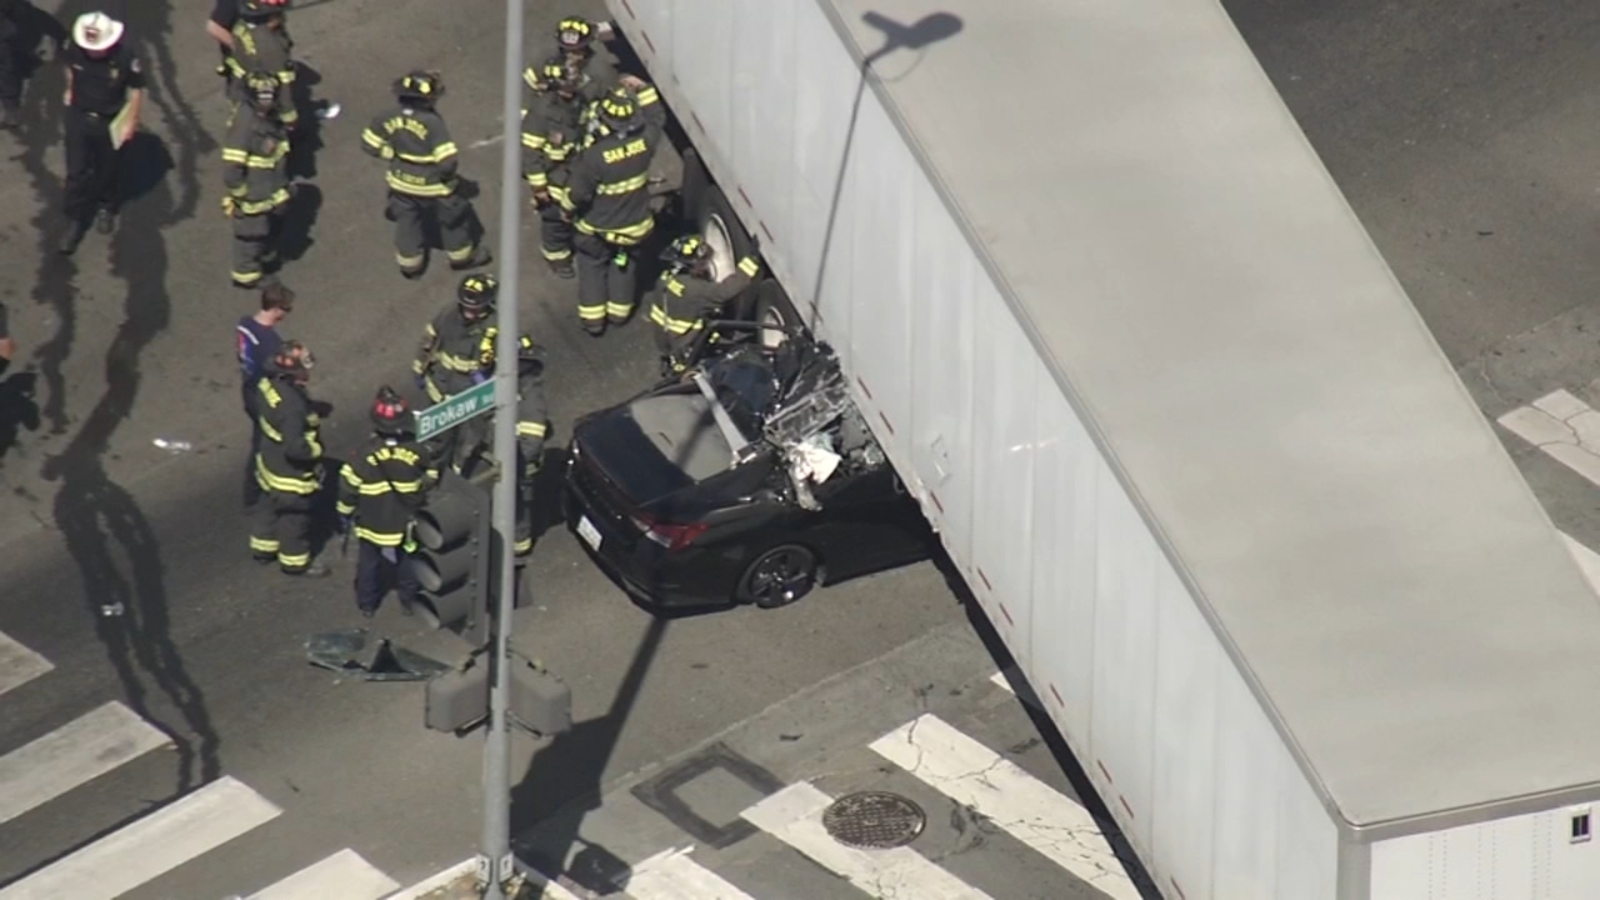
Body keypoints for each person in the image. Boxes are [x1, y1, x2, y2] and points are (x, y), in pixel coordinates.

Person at [360, 71, 490, 279]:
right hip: (434, 186)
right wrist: (447, 178)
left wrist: (393, 154)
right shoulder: (432, 122)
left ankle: (410, 266)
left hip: (400, 183)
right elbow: (447, 161)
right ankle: (461, 258)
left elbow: (369, 144)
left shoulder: (387, 116)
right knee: (453, 220)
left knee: (407, 223)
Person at [566, 84, 664, 335]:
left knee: (592, 267)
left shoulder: (594, 157)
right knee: (625, 266)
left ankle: (594, 321)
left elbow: (577, 194)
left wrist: (565, 211)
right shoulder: (645, 142)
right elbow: (657, 118)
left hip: (597, 229)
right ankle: (619, 314)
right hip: (636, 228)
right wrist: (643, 89)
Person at [337, 387, 436, 619]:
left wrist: (345, 513)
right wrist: (421, 489)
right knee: (408, 561)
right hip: (406, 522)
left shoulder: (362, 455)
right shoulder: (418, 450)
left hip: (371, 522)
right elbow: (432, 475)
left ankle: (367, 605)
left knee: (368, 564)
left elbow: (347, 488)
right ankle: (409, 602)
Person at [58, 11, 143, 255]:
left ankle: (106, 205)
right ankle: (74, 221)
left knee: (108, 168)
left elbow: (137, 89)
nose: (93, 52)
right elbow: (69, 67)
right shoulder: (74, 49)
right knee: (76, 172)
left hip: (110, 119)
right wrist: (70, 88)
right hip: (79, 116)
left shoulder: (125, 57)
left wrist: (131, 121)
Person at [249, 340, 328, 577]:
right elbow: (295, 448)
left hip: (268, 462)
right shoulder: (293, 407)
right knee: (294, 519)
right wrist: (316, 451)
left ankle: (263, 549)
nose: (308, 373)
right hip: (289, 476)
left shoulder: (267, 384)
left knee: (267, 506)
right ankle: (295, 562)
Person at [413, 274, 497, 471]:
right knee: (438, 437)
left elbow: (503, 360)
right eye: (466, 306)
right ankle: (434, 467)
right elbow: (429, 341)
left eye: (475, 309)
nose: (469, 312)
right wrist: (419, 368)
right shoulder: (449, 314)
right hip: (440, 387)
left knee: (470, 435)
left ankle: (458, 467)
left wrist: (485, 376)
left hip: (469, 395)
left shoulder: (494, 325)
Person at [648, 233, 762, 375]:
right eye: (702, 262)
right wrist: (752, 261)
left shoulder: (664, 279)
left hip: (665, 338)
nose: (705, 265)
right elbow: (727, 289)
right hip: (686, 346)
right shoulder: (697, 290)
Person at [221, 73, 292, 289]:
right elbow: (232, 167)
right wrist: (241, 193)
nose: (266, 103)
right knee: (250, 235)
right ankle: (246, 275)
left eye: (270, 98)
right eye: (262, 99)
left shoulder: (269, 117)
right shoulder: (246, 124)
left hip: (271, 186)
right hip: (254, 194)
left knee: (266, 230)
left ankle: (261, 259)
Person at [520, 56, 586, 278]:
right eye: (569, 83)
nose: (573, 86)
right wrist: (539, 188)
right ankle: (557, 256)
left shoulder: (580, 101)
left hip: (577, 168)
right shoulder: (542, 111)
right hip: (553, 175)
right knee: (554, 220)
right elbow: (530, 153)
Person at [237, 283, 293, 506]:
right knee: (263, 443)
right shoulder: (271, 344)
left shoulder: (245, 324)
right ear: (277, 308)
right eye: (287, 309)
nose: (287, 314)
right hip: (262, 395)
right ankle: (253, 493)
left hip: (248, 386)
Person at [224, 0, 296, 128]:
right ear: (273, 17)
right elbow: (285, 91)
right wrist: (289, 118)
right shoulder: (274, 48)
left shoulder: (240, 28)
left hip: (240, 94)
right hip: (262, 105)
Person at [512, 335, 549, 558]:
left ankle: (520, 546)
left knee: (519, 506)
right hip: (507, 460)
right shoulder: (512, 386)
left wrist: (511, 464)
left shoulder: (531, 399)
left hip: (522, 467)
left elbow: (532, 443)